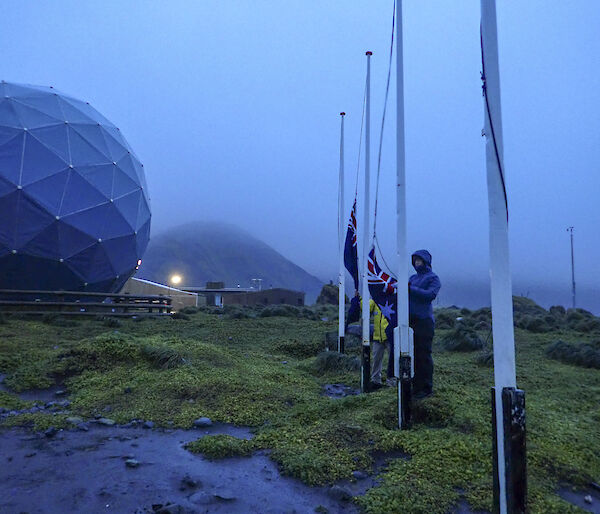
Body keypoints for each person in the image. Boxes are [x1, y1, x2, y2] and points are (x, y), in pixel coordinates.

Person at [409, 250, 441, 399]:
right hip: (410, 320)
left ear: (426, 261)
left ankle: (426, 388)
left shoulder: (433, 278)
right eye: (415, 260)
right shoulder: (412, 278)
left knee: (424, 355)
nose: (416, 263)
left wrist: (410, 288)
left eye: (419, 260)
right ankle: (416, 386)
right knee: (413, 355)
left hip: (424, 321)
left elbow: (430, 295)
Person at [346, 291, 393, 389]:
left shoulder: (392, 300)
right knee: (376, 360)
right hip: (377, 337)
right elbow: (365, 307)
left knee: (392, 360)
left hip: (390, 337)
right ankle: (376, 380)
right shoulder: (375, 301)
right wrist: (359, 299)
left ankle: (392, 381)